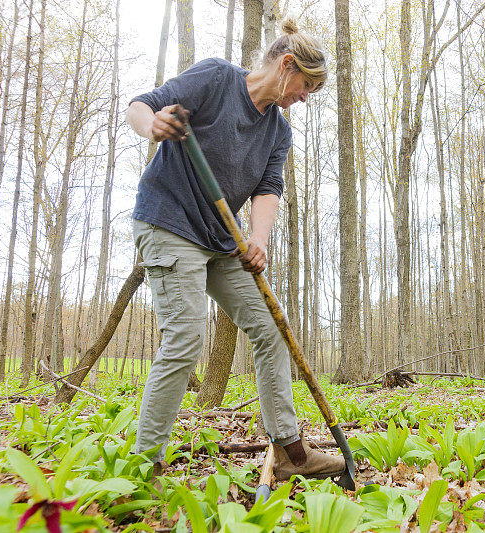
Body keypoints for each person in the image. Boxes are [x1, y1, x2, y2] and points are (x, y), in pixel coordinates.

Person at [125, 18, 344, 480]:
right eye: (307, 86)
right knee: (185, 340)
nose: (305, 98)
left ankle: (289, 453)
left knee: (271, 329)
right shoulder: (217, 79)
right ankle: (143, 466)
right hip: (169, 221)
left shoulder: (278, 132)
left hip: (221, 239)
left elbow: (268, 189)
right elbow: (142, 105)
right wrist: (153, 126)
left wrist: (258, 240)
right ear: (287, 66)